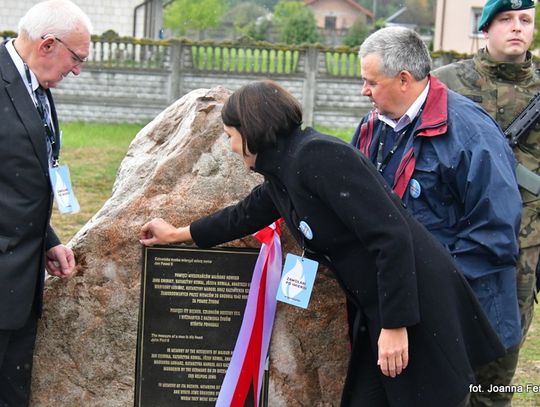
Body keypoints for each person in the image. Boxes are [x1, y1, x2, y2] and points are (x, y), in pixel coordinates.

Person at [140, 80, 507, 406]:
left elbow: (392, 237)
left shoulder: (318, 157)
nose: (231, 146)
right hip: (381, 310)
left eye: (231, 135)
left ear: (252, 130)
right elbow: (244, 215)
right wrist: (177, 234)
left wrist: (396, 326)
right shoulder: (283, 173)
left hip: (415, 309)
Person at [351, 24, 523, 392]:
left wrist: (426, 287)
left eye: (370, 81)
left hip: (460, 309)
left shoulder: (471, 134)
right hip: (402, 302)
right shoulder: (372, 128)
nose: (363, 90)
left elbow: (496, 232)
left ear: (403, 79)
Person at [432, 1, 538, 404]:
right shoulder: (445, 84)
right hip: (454, 241)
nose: (517, 28)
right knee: (445, 357)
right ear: (485, 28)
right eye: (505, 20)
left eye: (525, 20)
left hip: (521, 247)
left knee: (500, 363)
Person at [0, 1, 92, 405]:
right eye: (77, 59)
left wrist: (48, 239)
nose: (77, 71)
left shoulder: (35, 84)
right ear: (48, 44)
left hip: (22, 283)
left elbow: (23, 177)